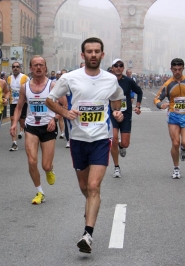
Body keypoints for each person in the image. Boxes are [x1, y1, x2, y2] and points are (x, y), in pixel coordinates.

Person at [45, 37, 124, 254]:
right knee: (85, 188)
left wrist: (117, 111)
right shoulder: (70, 78)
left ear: (102, 54)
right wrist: (64, 112)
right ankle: (91, 206)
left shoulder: (110, 79)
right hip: (78, 139)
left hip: (100, 138)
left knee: (93, 186)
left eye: (97, 51)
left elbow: (117, 97)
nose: (93, 55)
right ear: (83, 55)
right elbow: (50, 100)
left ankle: (87, 234)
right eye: (89, 51)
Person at [10, 55, 66, 205]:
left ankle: (49, 170)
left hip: (48, 127)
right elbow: (19, 107)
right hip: (31, 127)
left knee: (45, 165)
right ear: (31, 68)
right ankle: (40, 191)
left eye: (41, 65)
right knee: (31, 160)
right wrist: (14, 123)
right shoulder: (25, 87)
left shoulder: (53, 86)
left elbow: (64, 107)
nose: (39, 67)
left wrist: (55, 119)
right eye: (35, 65)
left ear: (46, 68)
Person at [153, 58, 185, 179]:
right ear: (171, 69)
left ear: (183, 69)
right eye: (175, 70)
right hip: (173, 115)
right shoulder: (168, 84)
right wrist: (160, 105)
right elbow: (157, 98)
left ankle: (184, 149)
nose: (177, 72)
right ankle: (176, 168)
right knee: (175, 143)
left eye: (179, 69)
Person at [110, 59, 143, 178]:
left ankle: (121, 146)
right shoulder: (107, 81)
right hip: (111, 114)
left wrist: (138, 106)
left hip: (126, 114)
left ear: (123, 68)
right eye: (116, 66)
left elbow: (139, 92)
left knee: (125, 143)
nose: (118, 67)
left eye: (120, 66)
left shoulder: (128, 81)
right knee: (113, 139)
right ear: (112, 68)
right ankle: (116, 167)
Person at [7, 62, 30, 151]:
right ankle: (14, 143)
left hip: (23, 104)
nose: (15, 68)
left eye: (17, 67)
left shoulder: (25, 77)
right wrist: (6, 98)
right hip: (13, 103)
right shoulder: (9, 78)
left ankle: (31, 137)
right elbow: (8, 91)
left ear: (20, 68)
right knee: (13, 121)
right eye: (14, 67)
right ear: (12, 68)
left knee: (22, 123)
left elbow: (29, 90)